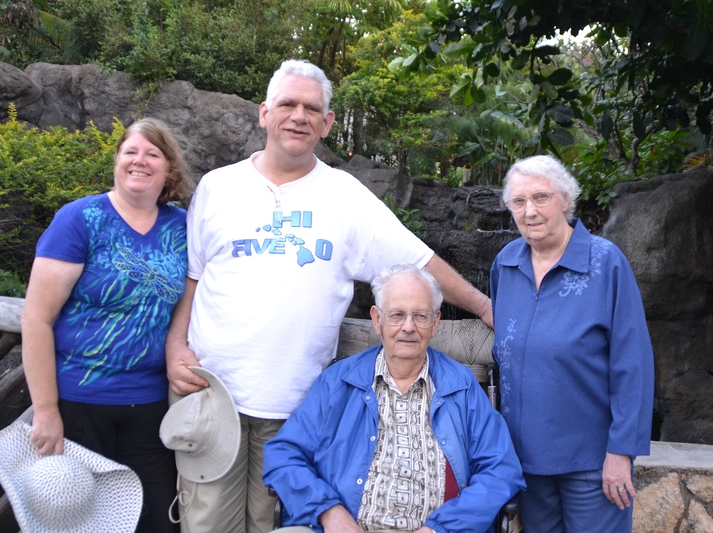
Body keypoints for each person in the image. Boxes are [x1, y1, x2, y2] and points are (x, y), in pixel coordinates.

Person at [165, 59, 496, 533]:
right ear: (264, 113)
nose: (298, 115)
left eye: (311, 108)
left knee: (274, 525)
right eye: (287, 104)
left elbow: (418, 262)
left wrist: (484, 305)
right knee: (206, 525)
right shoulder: (218, 188)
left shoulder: (346, 196)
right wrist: (176, 345)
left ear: (327, 122)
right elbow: (193, 279)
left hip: (297, 412)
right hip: (211, 394)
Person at [20, 117, 191, 533]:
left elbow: (192, 295)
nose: (140, 161)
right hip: (79, 403)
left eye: (152, 154)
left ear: (168, 169)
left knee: (157, 523)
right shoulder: (80, 218)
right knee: (83, 523)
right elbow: (36, 318)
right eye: (130, 151)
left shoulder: (182, 226)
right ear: (116, 160)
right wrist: (45, 411)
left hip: (151, 406)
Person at [263, 264, 524, 533]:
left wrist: (440, 529)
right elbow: (284, 454)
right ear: (377, 320)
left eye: (420, 316)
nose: (408, 327)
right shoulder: (338, 382)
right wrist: (329, 512)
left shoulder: (461, 386)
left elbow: (501, 469)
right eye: (397, 315)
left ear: (435, 322)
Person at [490, 154, 654, 532]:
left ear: (565, 199)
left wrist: (621, 452)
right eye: (518, 201)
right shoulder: (506, 263)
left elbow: (634, 364)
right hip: (526, 461)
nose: (529, 211)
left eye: (541, 197)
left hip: (593, 463)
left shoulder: (606, 262)